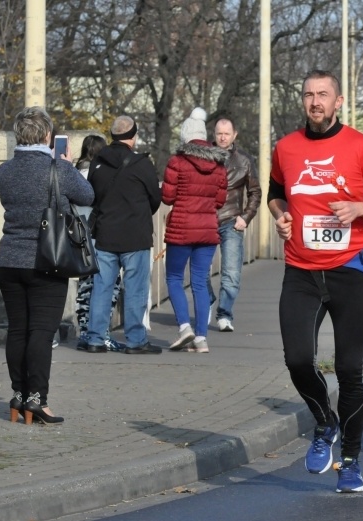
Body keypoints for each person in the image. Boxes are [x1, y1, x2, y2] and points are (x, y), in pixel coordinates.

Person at [267, 70, 363, 493]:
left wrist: (362, 208)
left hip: (351, 271)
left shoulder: (361, 146)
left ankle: (351, 460)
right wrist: (280, 215)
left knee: (348, 370)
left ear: (338, 101)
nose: (315, 102)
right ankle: (324, 424)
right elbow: (276, 192)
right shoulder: (286, 147)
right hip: (301, 270)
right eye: (308, 95)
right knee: (297, 359)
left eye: (322, 95)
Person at [0, 107, 94, 424]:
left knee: (18, 330)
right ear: (48, 136)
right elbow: (88, 195)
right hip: (47, 259)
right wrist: (68, 167)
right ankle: (37, 400)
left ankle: (19, 396)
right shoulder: (58, 170)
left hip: (9, 259)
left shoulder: (3, 171)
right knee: (41, 331)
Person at [85, 115, 163, 354]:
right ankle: (135, 340)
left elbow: (92, 196)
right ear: (134, 136)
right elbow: (155, 198)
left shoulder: (98, 162)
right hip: (135, 236)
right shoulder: (142, 164)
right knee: (135, 289)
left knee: (102, 288)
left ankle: (95, 339)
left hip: (105, 234)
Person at [162, 108, 228, 353]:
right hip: (208, 230)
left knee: (175, 278)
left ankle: (184, 328)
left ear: (185, 136)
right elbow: (220, 201)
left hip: (181, 228)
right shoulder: (219, 165)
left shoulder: (177, 162)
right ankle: (201, 338)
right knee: (200, 282)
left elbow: (168, 197)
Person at [72, 135, 127, 352]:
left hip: (79, 236)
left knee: (85, 286)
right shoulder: (102, 174)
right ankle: (101, 332)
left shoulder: (75, 173)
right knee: (108, 285)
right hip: (100, 235)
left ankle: (85, 331)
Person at [207, 116, 262, 332]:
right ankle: (209, 299)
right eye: (219, 133)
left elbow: (255, 192)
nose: (222, 137)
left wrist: (246, 217)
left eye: (226, 134)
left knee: (231, 272)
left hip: (232, 220)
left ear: (234, 135)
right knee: (199, 272)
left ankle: (224, 315)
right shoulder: (204, 157)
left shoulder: (244, 161)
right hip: (206, 220)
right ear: (214, 134)